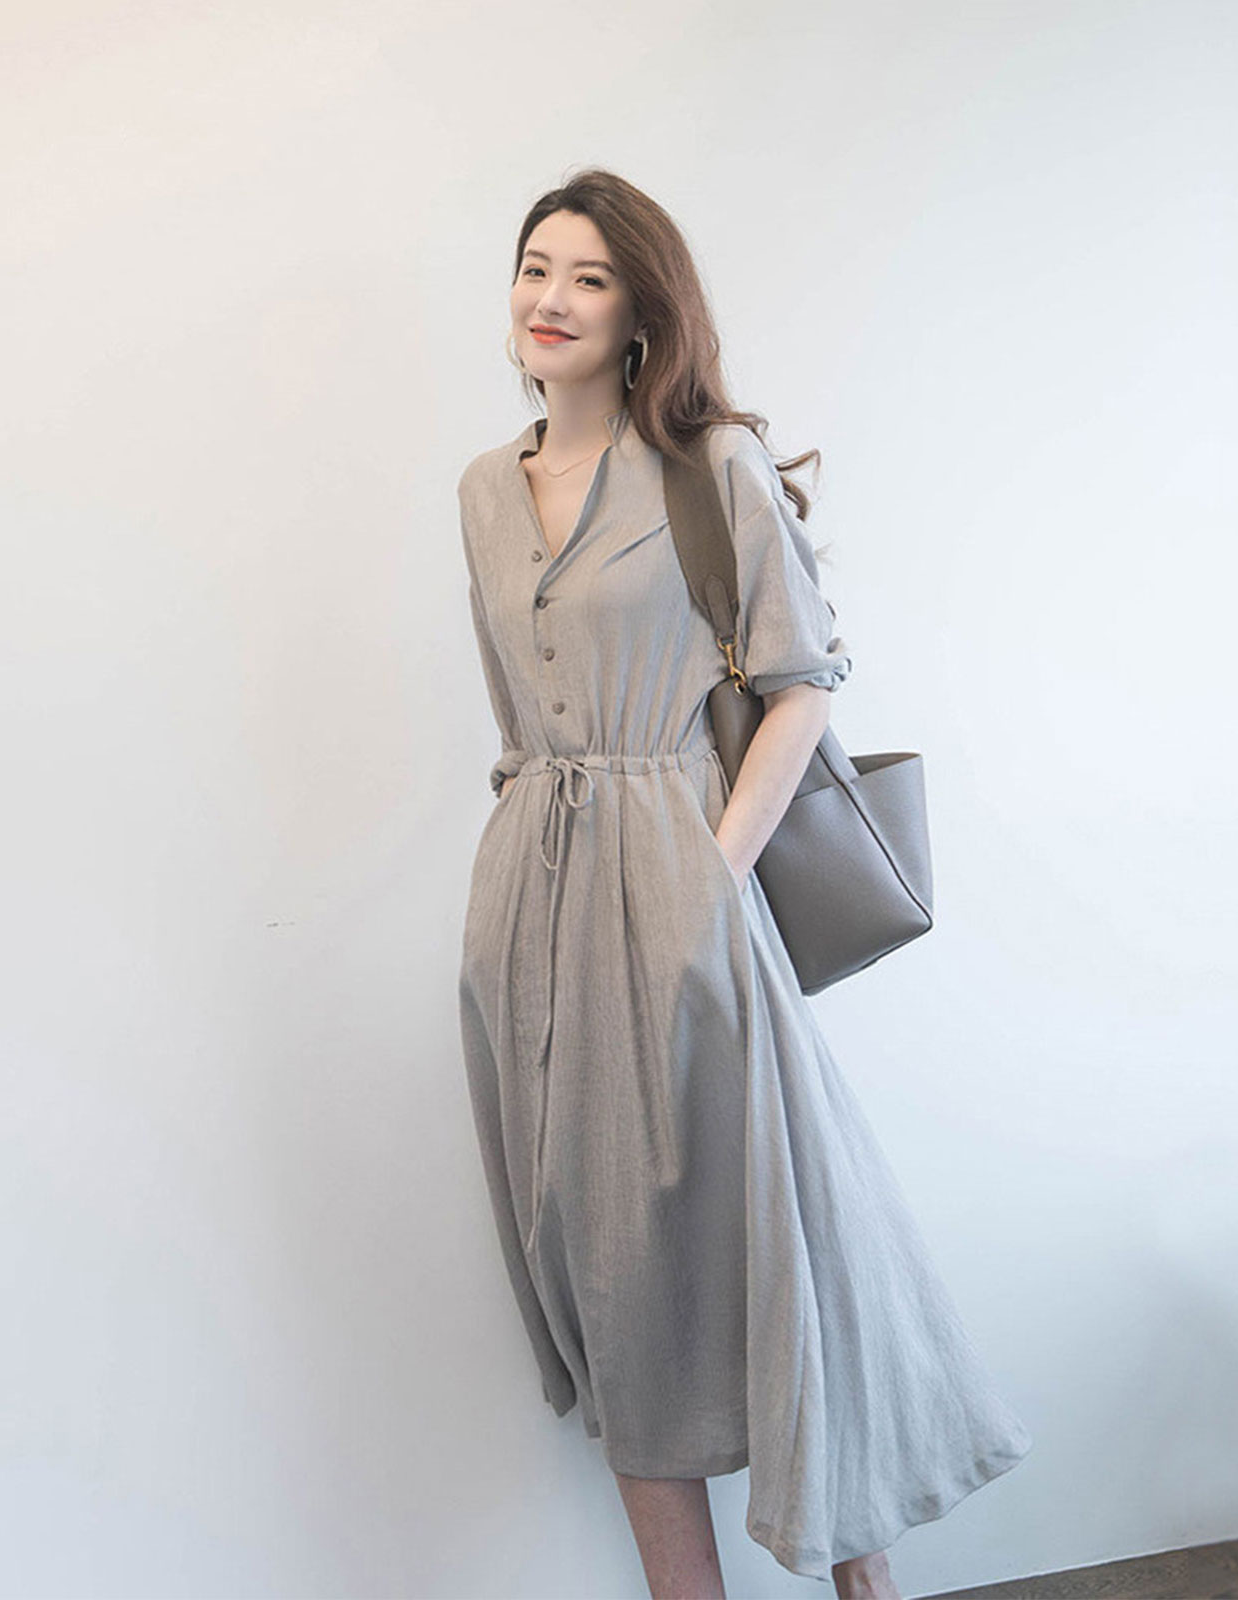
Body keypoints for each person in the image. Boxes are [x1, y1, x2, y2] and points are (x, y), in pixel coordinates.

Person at [456, 169, 1032, 1600]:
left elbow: (801, 688)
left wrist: (707, 880)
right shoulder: (480, 491)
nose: (551, 299)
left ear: (642, 310)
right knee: (607, 1263)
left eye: (590, 277)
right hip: (534, 900)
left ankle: (865, 1583)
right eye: (536, 267)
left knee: (782, 1234)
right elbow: (518, 718)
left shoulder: (709, 468)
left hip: (680, 876)